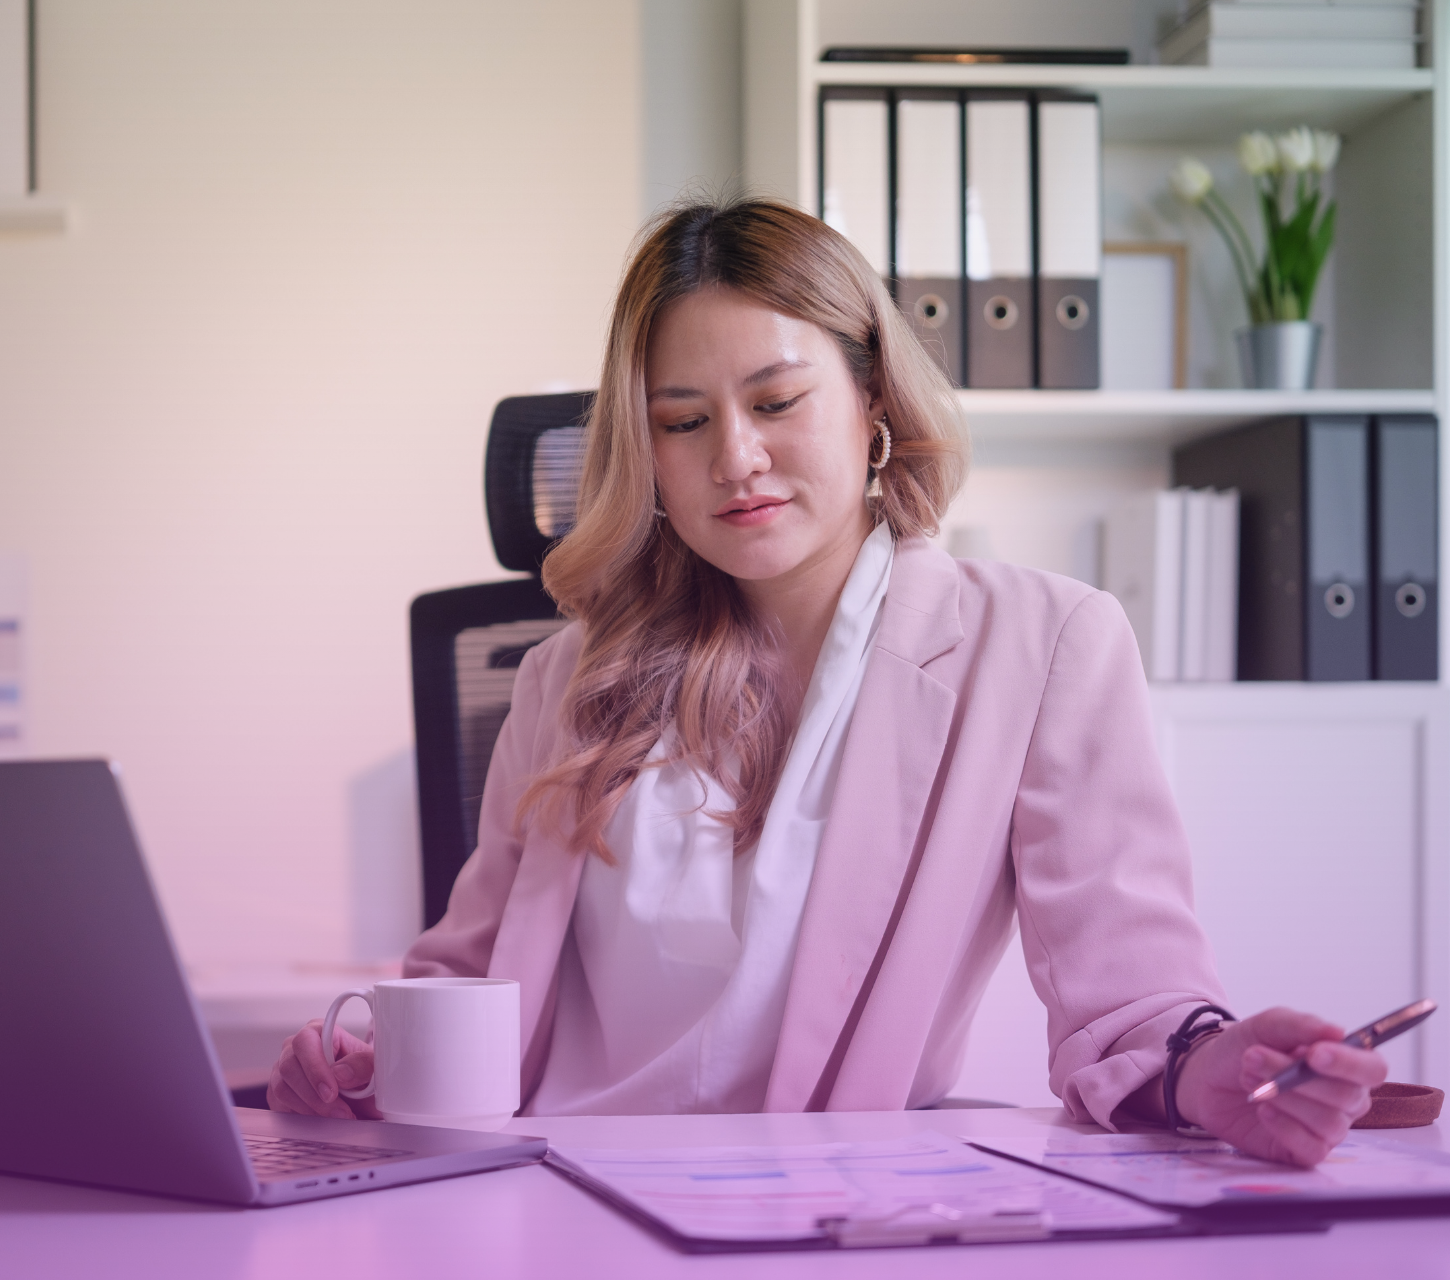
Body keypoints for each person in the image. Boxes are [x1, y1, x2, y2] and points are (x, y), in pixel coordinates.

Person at [270, 199, 1385, 1166]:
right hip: (550, 1187)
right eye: (684, 421)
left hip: (822, 1205)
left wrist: (1212, 1066)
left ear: (874, 405)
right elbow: (463, 979)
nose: (735, 459)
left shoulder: (1042, 645)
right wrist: (358, 1065)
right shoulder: (568, 674)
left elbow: (1131, 1001)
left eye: (777, 400)